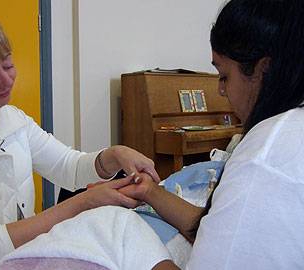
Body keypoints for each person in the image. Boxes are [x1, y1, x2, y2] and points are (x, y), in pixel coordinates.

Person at [0, 2, 162, 269]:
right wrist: (84, 202)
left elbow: (68, 167)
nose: (6, 81)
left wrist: (114, 155)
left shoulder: (12, 120)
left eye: (8, 65)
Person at [121, 0, 304, 269]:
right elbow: (215, 226)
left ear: (263, 70)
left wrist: (136, 248)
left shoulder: (264, 156)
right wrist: (149, 191)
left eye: (223, 75)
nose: (220, 90)